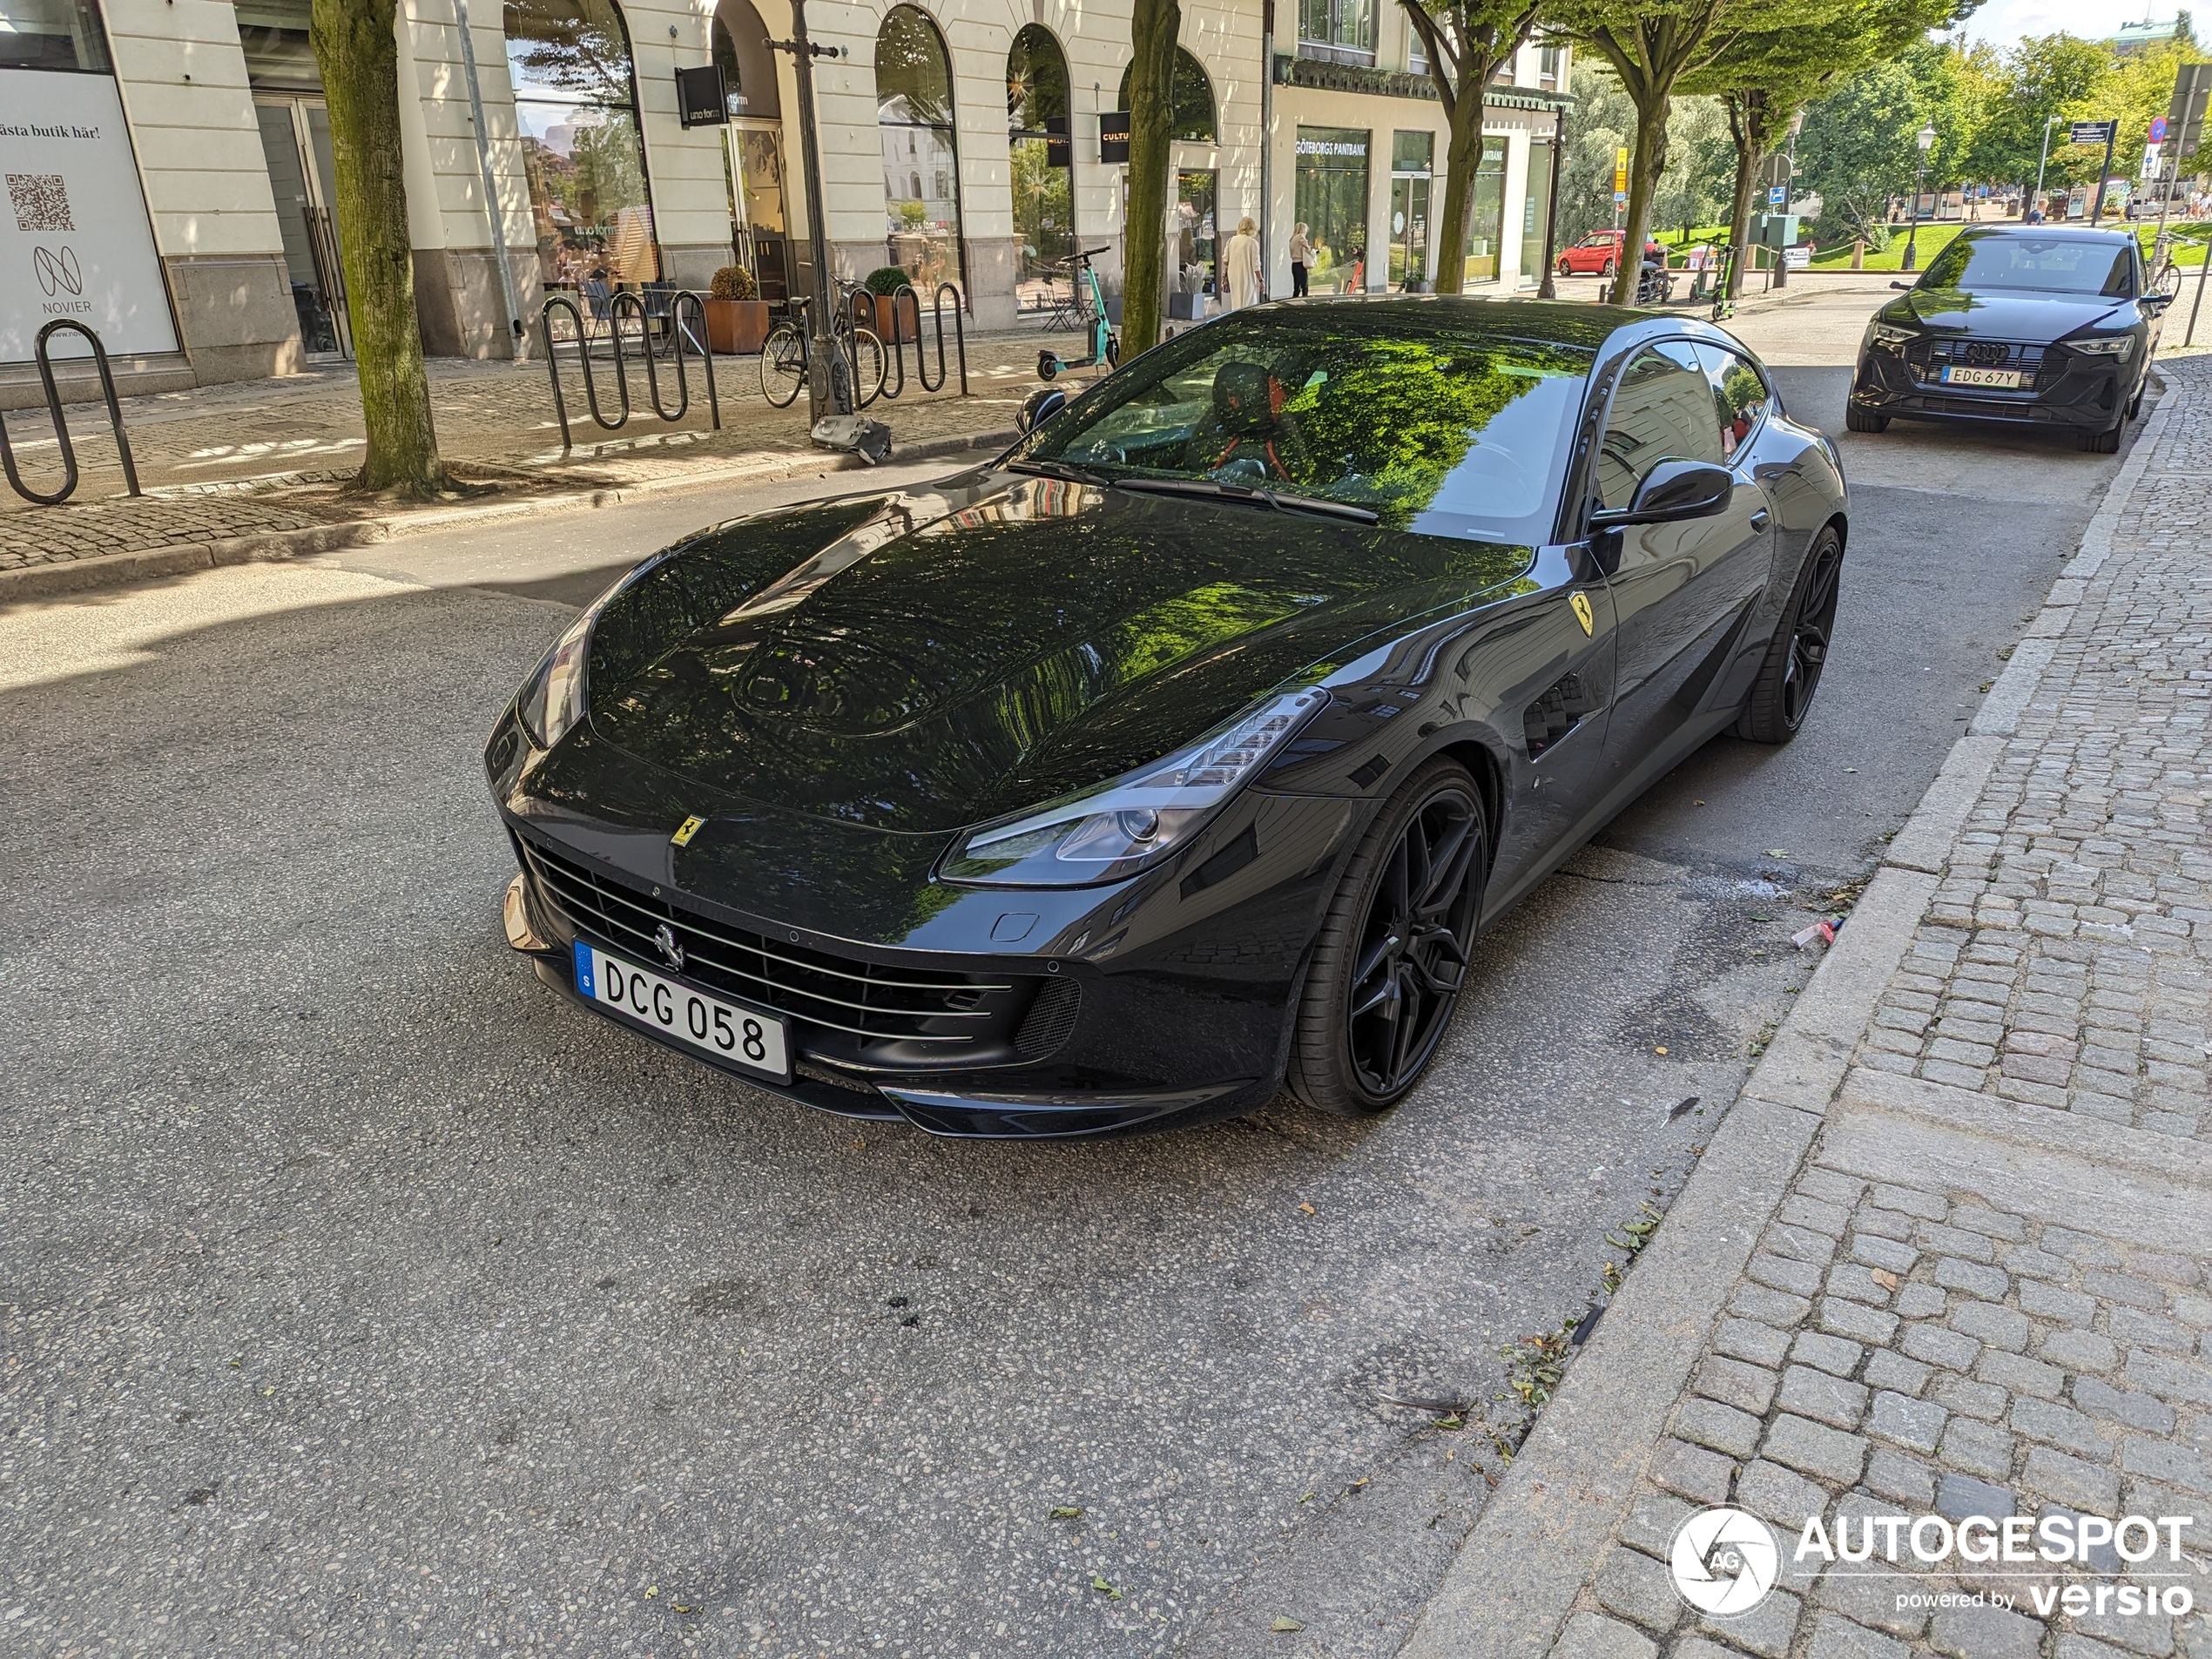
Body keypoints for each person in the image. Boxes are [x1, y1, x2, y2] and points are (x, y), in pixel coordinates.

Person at [1224, 214, 1262, 310]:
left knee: (1236, 300)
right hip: (1247, 275)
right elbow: (1256, 265)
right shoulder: (1252, 243)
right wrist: (1261, 280)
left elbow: (1225, 260)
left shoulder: (1231, 241)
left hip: (1233, 274)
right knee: (1248, 301)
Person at [1288, 221, 1311, 297]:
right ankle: (1305, 302)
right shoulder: (1301, 236)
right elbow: (1307, 247)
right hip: (1301, 264)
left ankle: (1294, 302)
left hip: (1294, 264)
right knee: (1305, 286)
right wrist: (1309, 249)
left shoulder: (1292, 239)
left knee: (1296, 287)